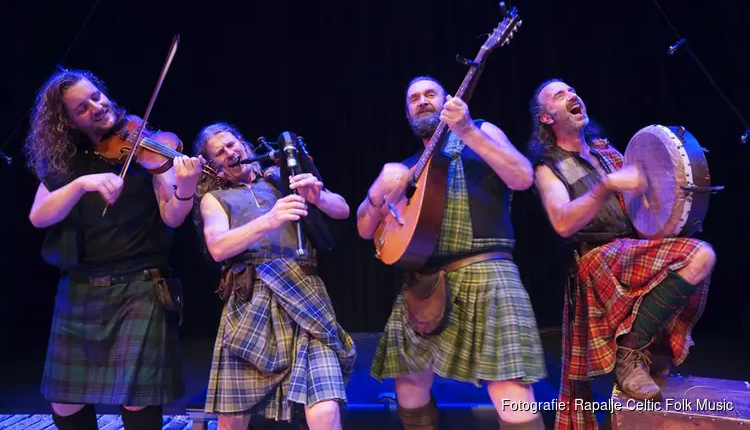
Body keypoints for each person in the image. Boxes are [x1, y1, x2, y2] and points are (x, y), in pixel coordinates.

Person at [356, 76, 548, 430]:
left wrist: (468, 130)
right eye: (414, 98)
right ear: (407, 112)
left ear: (447, 102)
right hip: (424, 282)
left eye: (431, 94)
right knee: (409, 383)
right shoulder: (406, 170)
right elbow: (366, 228)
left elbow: (522, 177)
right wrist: (376, 193)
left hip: (487, 272)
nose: (422, 101)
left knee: (509, 386)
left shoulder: (480, 133)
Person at [527, 79, 715, 429]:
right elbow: (562, 223)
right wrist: (605, 186)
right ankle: (630, 354)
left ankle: (639, 348)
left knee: (700, 256)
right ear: (547, 118)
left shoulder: (605, 152)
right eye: (559, 95)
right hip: (596, 260)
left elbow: (647, 208)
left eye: (571, 90)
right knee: (700, 255)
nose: (571, 95)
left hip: (631, 249)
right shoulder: (547, 167)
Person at [24, 69, 204, 430]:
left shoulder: (147, 147)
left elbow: (172, 216)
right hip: (81, 286)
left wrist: (185, 188)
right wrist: (81, 184)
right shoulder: (67, 162)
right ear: (68, 122)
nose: (96, 106)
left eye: (96, 96)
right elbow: (39, 217)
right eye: (81, 107)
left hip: (140, 285)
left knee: (137, 400)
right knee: (64, 399)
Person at [193, 122, 356, 430]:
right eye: (219, 153)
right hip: (252, 301)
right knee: (233, 416)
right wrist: (269, 219)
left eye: (232, 144)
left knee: (325, 405)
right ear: (212, 165)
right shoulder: (214, 199)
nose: (230, 153)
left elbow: (342, 209)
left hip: (306, 297)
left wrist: (318, 197)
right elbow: (217, 247)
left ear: (243, 143)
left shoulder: (282, 179)